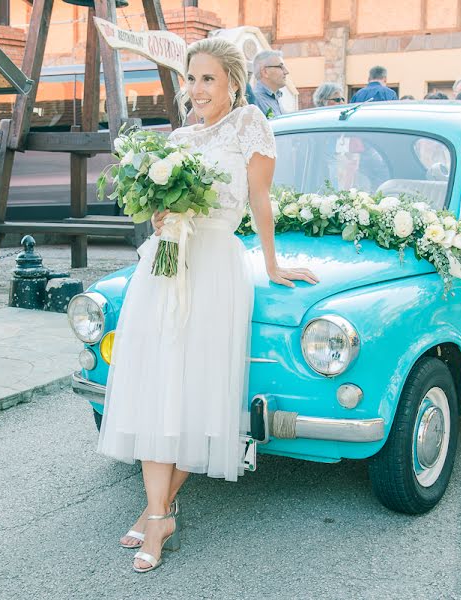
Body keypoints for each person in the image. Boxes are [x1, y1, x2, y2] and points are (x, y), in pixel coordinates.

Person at [98, 37, 318, 573]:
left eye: (208, 79)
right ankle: (159, 512)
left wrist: (272, 264)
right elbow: (163, 206)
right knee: (159, 387)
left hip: (217, 265)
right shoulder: (178, 137)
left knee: (194, 390)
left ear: (233, 83)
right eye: (191, 79)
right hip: (165, 265)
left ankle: (155, 515)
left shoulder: (251, 127)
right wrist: (158, 218)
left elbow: (261, 200)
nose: (196, 90)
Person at [252, 50, 288, 118]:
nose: (286, 72)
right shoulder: (255, 101)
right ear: (265, 72)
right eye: (280, 67)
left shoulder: (276, 97)